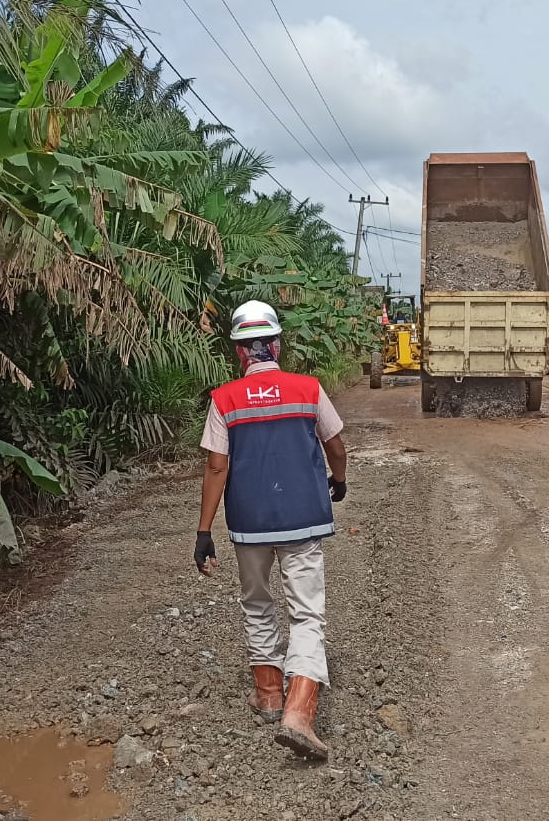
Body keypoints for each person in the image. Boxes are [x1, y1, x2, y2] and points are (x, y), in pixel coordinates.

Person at [195, 300, 348, 761]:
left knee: (258, 602)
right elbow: (336, 445)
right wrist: (337, 481)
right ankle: (300, 712)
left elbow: (217, 466)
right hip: (303, 519)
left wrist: (204, 531)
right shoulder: (308, 389)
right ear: (276, 344)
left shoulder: (224, 399)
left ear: (240, 352)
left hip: (250, 523)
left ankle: (268, 695)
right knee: (307, 612)